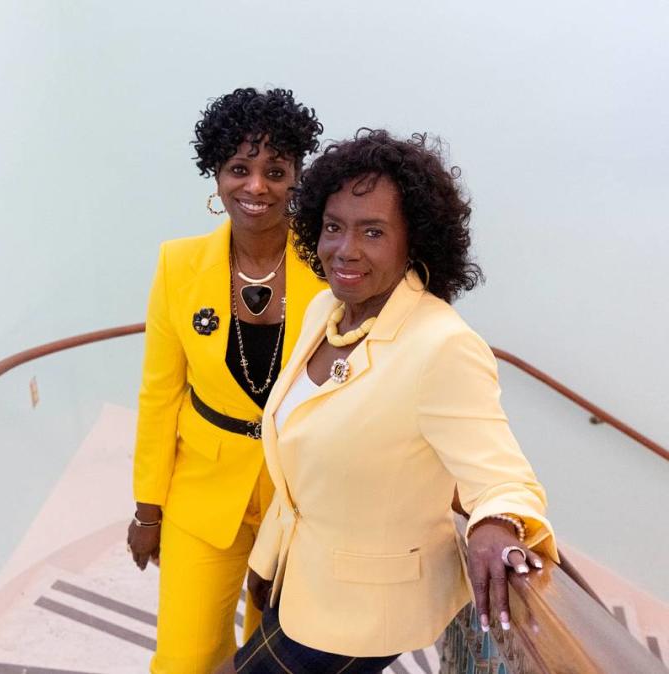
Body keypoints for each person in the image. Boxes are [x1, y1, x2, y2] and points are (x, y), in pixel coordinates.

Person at [221, 129, 559, 673]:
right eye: (333, 228)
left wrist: (497, 525)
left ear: (414, 242)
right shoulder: (321, 314)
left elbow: (502, 477)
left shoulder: (441, 346)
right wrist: (269, 559)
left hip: (365, 611)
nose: (344, 250)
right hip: (300, 578)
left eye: (372, 232)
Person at [128, 87, 328, 673]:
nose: (257, 186)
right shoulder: (177, 265)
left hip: (302, 498)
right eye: (239, 169)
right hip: (203, 489)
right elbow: (159, 395)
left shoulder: (331, 265)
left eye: (275, 170)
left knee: (273, 656)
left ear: (297, 177)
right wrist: (147, 509)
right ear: (216, 176)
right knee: (184, 658)